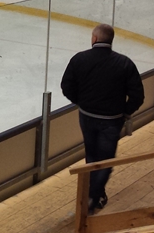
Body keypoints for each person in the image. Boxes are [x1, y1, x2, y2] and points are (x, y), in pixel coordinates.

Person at [60, 23, 144, 215]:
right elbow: (138, 96)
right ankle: (94, 195)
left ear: (94, 39)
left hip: (87, 117)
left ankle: (94, 194)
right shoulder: (124, 63)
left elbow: (66, 86)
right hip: (112, 120)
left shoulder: (80, 59)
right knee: (106, 159)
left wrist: (82, 103)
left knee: (92, 155)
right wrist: (125, 112)